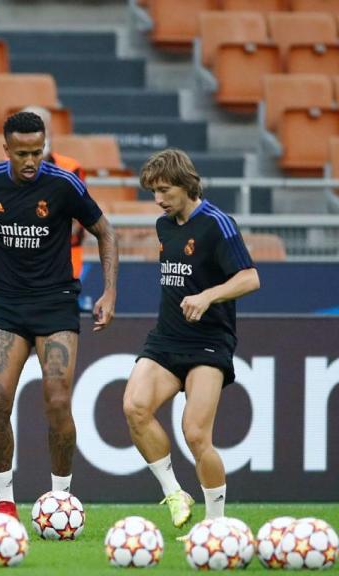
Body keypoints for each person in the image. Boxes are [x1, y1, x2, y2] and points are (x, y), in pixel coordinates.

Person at [0, 111, 119, 519]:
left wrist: (110, 292)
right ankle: (5, 503)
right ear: (6, 148)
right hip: (7, 304)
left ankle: (61, 499)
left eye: (38, 151)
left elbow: (105, 230)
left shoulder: (63, 184)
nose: (32, 161)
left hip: (56, 302)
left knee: (58, 401)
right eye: (23, 153)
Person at [122, 149, 259, 531]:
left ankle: (215, 525)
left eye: (164, 190)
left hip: (208, 343)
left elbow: (250, 278)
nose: (158, 199)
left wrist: (207, 296)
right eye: (153, 192)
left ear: (186, 184)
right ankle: (174, 492)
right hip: (166, 339)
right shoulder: (164, 225)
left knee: (196, 435)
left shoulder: (218, 223)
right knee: (134, 407)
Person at [21, 105, 88, 281]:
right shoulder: (4, 169)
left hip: (65, 259)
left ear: (50, 131)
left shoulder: (70, 168)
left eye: (41, 127)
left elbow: (79, 218)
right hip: (21, 260)